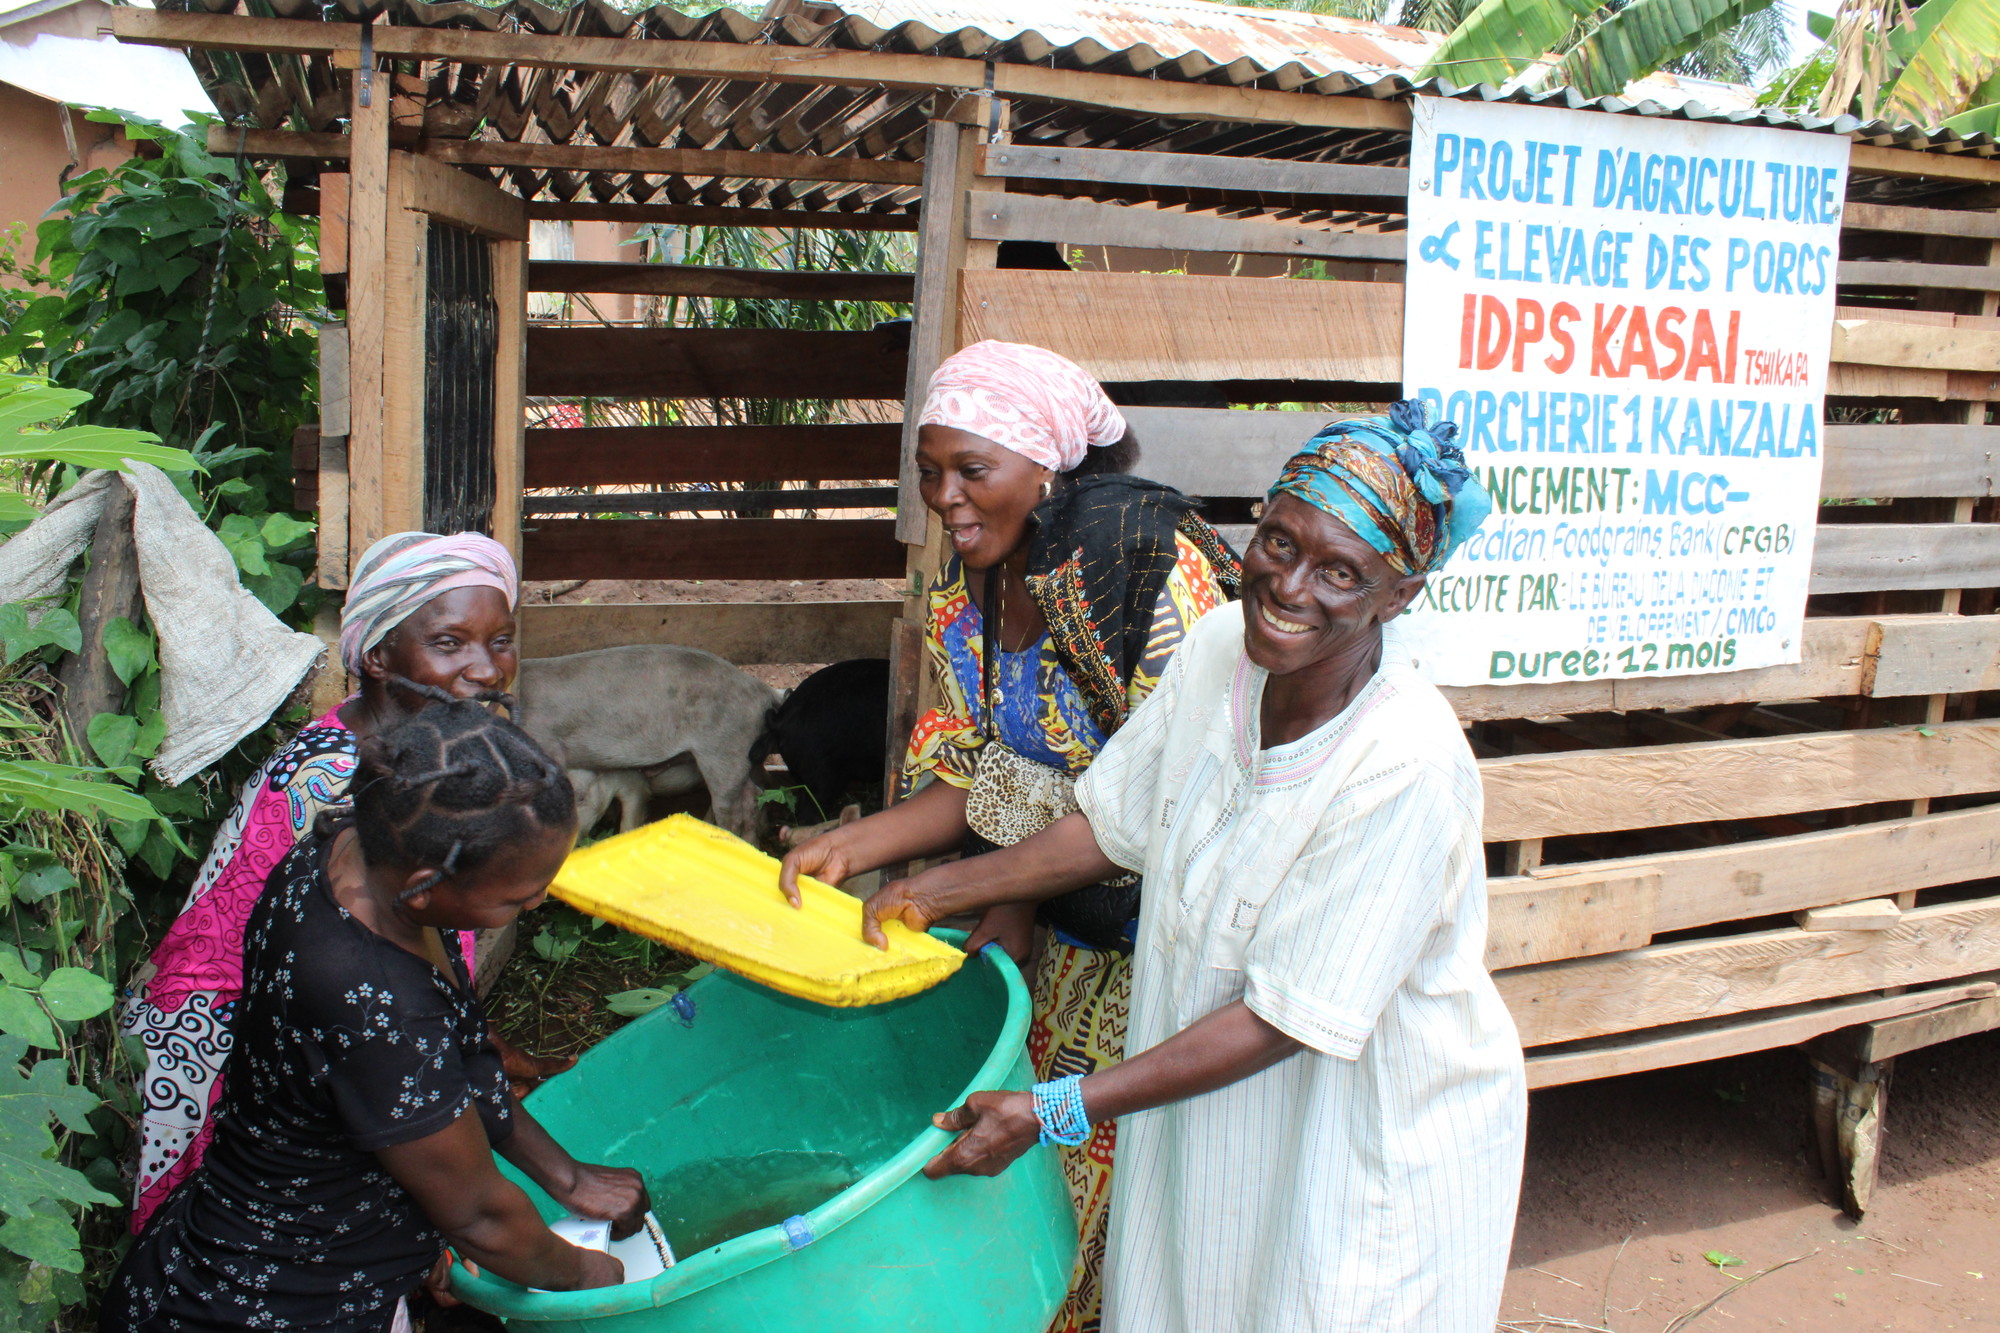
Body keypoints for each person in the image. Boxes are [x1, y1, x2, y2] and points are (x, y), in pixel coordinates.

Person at [859, 401, 1528, 1333]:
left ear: (1398, 596)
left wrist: (1055, 1108)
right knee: (1192, 1288)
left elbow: (1281, 1018)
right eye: (1280, 542)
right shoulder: (1221, 649)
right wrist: (931, 890)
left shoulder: (1404, 763)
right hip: (1212, 1108)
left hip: (1358, 1130)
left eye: (1340, 570)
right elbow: (1115, 822)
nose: (1290, 586)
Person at [780, 340, 1236, 1332]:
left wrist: (967, 891)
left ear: (1048, 472)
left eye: (971, 470)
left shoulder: (1145, 578)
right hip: (1068, 938)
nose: (943, 495)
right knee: (1035, 1166)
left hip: (1169, 949)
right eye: (927, 468)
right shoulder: (969, 602)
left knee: (1131, 1195)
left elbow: (1148, 810)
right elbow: (978, 775)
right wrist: (848, 850)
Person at [101, 698, 647, 1332]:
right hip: (276, 1302)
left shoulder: (347, 855)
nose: (541, 898)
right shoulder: (375, 1006)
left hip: (259, 1241)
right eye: (519, 896)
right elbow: (480, 1219)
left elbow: (464, 1052)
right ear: (425, 884)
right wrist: (590, 1279)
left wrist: (568, 1177)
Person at [120, 531, 531, 1233]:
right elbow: (375, 994)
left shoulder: (408, 753)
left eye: (500, 641)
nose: (486, 669)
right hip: (230, 1048)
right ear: (376, 654)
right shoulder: (339, 782)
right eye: (451, 642)